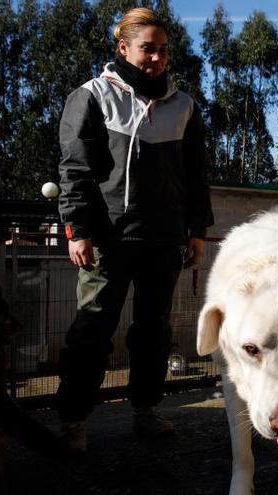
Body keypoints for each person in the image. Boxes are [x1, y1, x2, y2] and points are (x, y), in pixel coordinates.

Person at [56, 7, 213, 453]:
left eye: (163, 50)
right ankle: (73, 420)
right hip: (108, 239)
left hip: (164, 242)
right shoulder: (91, 97)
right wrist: (78, 230)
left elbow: (196, 174)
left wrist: (196, 229)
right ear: (123, 48)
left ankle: (145, 411)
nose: (157, 58)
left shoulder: (184, 106)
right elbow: (75, 170)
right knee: (91, 332)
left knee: (154, 332)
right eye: (148, 48)